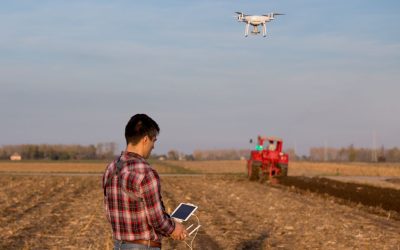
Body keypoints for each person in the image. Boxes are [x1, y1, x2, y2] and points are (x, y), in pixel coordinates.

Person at [103, 114, 187, 249]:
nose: (153, 146)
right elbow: (157, 220)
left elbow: (108, 210)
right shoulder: (146, 172)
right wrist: (174, 229)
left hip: (118, 245)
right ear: (145, 139)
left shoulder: (111, 168)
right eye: (154, 140)